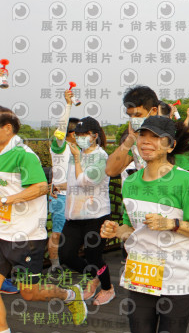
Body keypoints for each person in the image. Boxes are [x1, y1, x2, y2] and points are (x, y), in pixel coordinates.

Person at [100, 116, 189, 333]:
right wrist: (115, 230)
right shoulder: (131, 182)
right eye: (143, 135)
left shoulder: (185, 181)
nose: (146, 141)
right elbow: (130, 229)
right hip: (142, 272)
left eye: (156, 137)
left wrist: (172, 223)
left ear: (170, 146)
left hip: (177, 275)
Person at [0, 106, 87, 329]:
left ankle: (70, 294)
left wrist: (5, 201)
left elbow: (40, 187)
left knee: (30, 294)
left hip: (25, 236)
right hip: (1, 233)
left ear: (7, 128)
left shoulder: (23, 154)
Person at [60, 116, 116, 305]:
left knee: (94, 256)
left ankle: (108, 288)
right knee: (65, 255)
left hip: (95, 215)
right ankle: (95, 276)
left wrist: (76, 158)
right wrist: (56, 187)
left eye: (85, 134)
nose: (80, 138)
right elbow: (72, 181)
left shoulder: (101, 157)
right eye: (77, 134)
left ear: (94, 135)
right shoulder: (77, 155)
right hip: (74, 216)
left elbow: (86, 182)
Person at [48, 89, 79, 277]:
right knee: (57, 233)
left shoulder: (77, 150)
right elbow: (60, 128)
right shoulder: (60, 147)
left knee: (73, 233)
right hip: (60, 197)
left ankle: (69, 259)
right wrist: (68, 105)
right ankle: (54, 264)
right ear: (72, 133)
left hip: (75, 197)